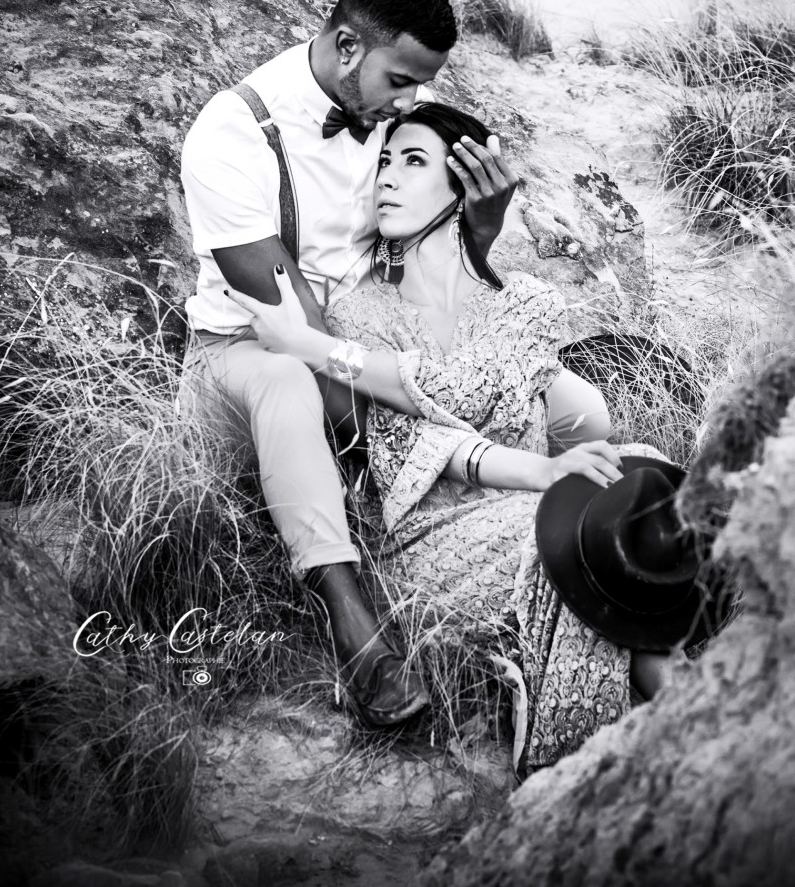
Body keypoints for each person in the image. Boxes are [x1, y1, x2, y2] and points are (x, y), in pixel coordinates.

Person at [180, 0, 608, 731]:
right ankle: (356, 628)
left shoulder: (392, 108)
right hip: (252, 351)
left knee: (578, 406)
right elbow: (297, 333)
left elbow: (429, 258)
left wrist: (480, 230)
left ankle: (557, 550)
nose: (412, 103)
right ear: (348, 47)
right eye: (402, 81)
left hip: (377, 327)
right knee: (289, 386)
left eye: (422, 85)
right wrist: (431, 425)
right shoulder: (232, 135)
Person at [227, 101, 678, 771]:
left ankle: (687, 719)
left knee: (647, 475)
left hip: (530, 507)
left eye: (413, 162)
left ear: (464, 184)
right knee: (572, 534)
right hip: (432, 537)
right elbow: (415, 442)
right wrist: (542, 472)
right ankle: (668, 731)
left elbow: (476, 389)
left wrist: (312, 346)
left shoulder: (526, 302)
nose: (387, 177)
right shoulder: (359, 315)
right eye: (383, 162)